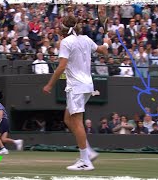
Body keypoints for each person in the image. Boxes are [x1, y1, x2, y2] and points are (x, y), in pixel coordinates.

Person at [43, 15, 111, 171]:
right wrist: (107, 45)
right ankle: (88, 151)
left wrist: (50, 84)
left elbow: (61, 67)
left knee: (77, 122)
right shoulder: (86, 39)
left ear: (64, 28)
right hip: (87, 85)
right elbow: (102, 51)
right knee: (68, 119)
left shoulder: (66, 42)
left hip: (76, 87)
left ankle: (85, 161)